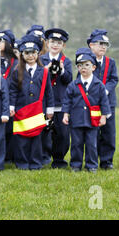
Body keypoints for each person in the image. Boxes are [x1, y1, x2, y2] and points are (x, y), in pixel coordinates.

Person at [9, 34, 54, 170]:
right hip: (21, 109)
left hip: (38, 110)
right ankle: (22, 163)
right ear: (22, 54)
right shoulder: (17, 71)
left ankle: (35, 163)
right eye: (27, 53)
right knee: (21, 138)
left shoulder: (44, 71)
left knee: (36, 138)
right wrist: (11, 106)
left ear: (38, 54)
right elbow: (13, 90)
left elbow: (49, 91)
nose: (30, 56)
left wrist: (50, 109)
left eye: (33, 53)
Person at [62, 48, 111, 172]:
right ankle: (76, 165)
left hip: (92, 120)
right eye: (80, 65)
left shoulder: (99, 85)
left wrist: (104, 116)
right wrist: (65, 114)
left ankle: (91, 165)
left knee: (92, 144)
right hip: (76, 119)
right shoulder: (73, 85)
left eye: (87, 65)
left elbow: (104, 101)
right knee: (76, 144)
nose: (83, 68)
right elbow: (67, 100)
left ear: (94, 67)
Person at [40, 28, 73, 168]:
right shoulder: (41, 59)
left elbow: (69, 80)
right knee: (43, 133)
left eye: (59, 43)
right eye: (52, 42)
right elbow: (36, 80)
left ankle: (59, 160)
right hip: (45, 103)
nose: (55, 45)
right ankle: (43, 158)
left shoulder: (66, 61)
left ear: (63, 45)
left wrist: (62, 70)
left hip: (60, 102)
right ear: (47, 43)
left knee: (62, 134)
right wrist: (45, 70)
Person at [87, 29, 119, 170]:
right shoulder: (86, 62)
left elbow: (114, 79)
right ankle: (92, 160)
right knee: (92, 133)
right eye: (100, 43)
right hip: (91, 104)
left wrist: (105, 90)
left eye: (106, 44)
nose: (103, 47)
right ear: (91, 45)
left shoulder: (110, 62)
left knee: (108, 133)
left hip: (108, 103)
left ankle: (106, 162)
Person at [0, 29, 18, 163]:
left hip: (12, 100)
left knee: (11, 130)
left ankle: (9, 157)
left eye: (1, 41)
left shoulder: (16, 62)